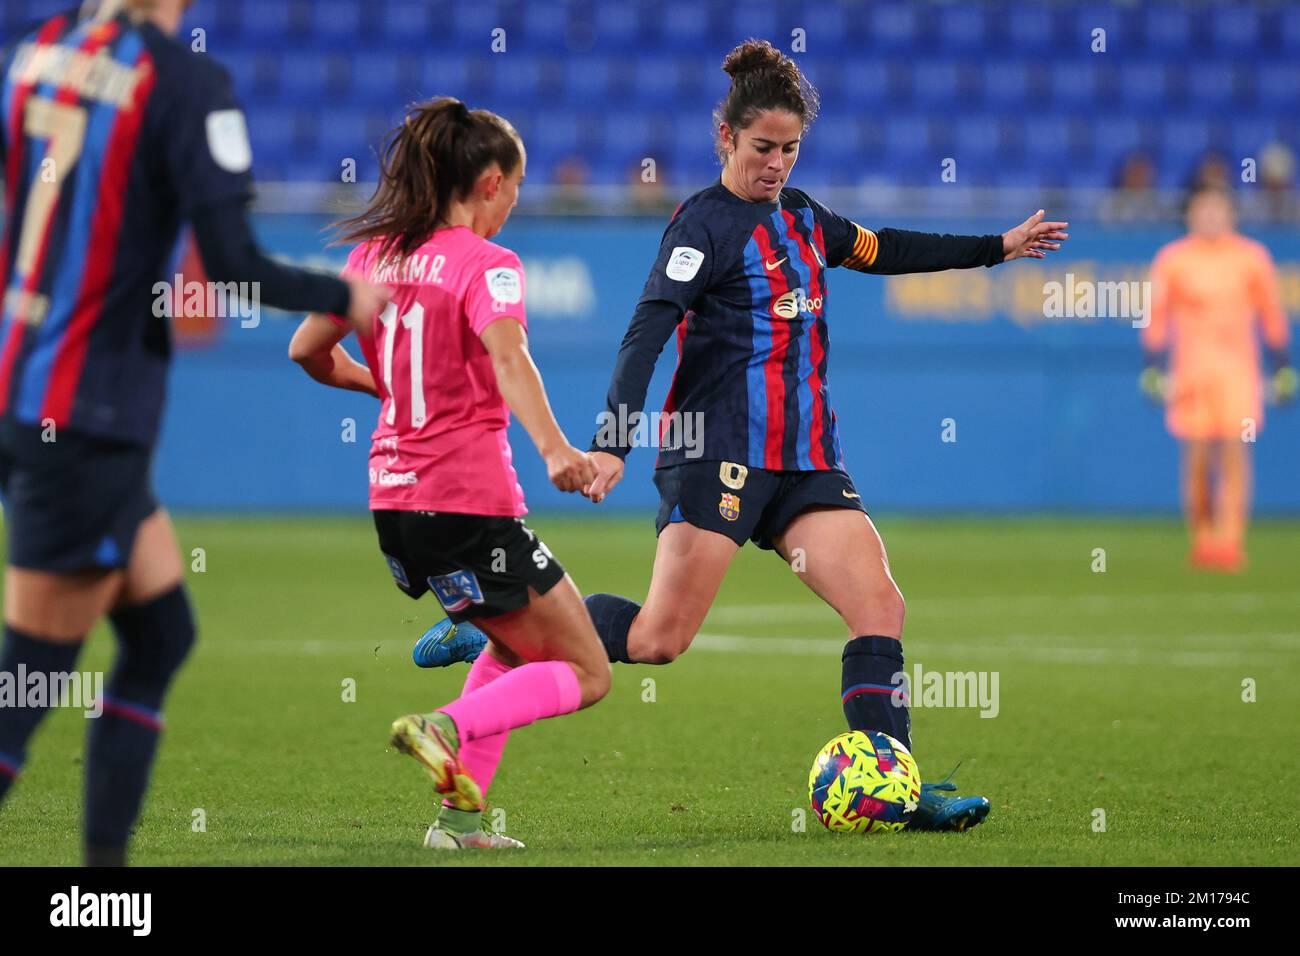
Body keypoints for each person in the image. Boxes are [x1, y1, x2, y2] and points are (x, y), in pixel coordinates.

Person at [568, 39, 1068, 832]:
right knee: (660, 641)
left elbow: (886, 248)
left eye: (790, 149)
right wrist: (611, 444)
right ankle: (510, 610)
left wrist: (994, 250)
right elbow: (646, 332)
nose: (776, 163)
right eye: (763, 147)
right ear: (724, 137)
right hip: (720, 455)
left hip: (804, 465)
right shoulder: (703, 225)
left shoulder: (803, 218)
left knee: (880, 604)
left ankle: (894, 787)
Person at [0, 0, 389, 866]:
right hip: (88, 414)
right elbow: (231, 263)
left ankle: (104, 883)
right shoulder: (183, 81)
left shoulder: (38, 54)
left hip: (26, 383)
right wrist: (345, 296)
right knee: (24, 682)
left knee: (162, 633)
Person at [288, 97, 608, 850]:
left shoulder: (373, 257)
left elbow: (306, 348)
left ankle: (461, 822)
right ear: (490, 181)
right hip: (466, 500)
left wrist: (381, 386)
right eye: (518, 187)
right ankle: (441, 725)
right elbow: (508, 354)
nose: (517, 203)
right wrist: (559, 450)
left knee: (511, 647)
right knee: (588, 671)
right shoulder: (486, 264)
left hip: (394, 508)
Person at [1140, 185, 1294, 571]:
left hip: (1238, 372)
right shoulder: (1173, 260)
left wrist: (1281, 364)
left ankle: (1230, 539)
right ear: (1190, 215)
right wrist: (1153, 365)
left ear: (1231, 215)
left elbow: (1270, 313)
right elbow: (1156, 315)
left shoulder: (1251, 258)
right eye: (1203, 210)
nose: (1210, 217)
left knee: (1234, 454)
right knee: (1196, 459)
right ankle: (1203, 537)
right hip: (1191, 371)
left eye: (1217, 210)